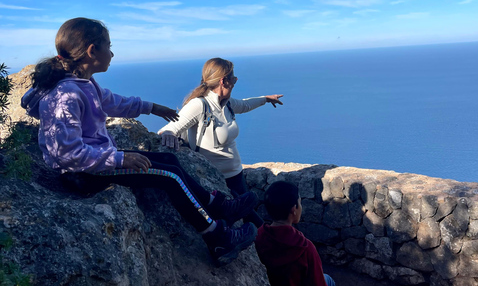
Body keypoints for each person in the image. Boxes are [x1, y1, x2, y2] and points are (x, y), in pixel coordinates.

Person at [20, 17, 258, 267]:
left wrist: (151, 107)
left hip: (96, 158)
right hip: (81, 173)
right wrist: (120, 159)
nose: (112, 53)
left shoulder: (84, 83)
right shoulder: (66, 95)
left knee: (169, 160)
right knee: (170, 177)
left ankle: (218, 205)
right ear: (92, 51)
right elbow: (66, 154)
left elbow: (112, 101)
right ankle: (217, 238)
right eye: (108, 46)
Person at [158, 57, 283, 228]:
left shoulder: (227, 104)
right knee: (253, 224)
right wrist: (169, 134)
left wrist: (266, 99)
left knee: (249, 222)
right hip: (218, 182)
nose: (235, 82)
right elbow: (170, 128)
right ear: (224, 81)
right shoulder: (199, 105)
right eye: (234, 79)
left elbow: (245, 105)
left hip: (237, 176)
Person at [254, 181, 336, 286]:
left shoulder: (258, 236)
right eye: (300, 202)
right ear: (294, 209)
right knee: (329, 280)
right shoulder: (305, 248)